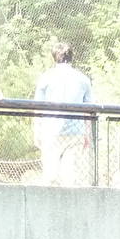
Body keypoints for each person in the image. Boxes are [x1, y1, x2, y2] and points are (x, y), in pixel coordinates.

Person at [32, 42, 93, 186]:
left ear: (54, 57)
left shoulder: (45, 77)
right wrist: (87, 133)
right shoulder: (83, 79)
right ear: (71, 57)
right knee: (70, 176)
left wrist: (37, 131)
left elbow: (37, 107)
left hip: (51, 130)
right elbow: (89, 110)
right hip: (76, 130)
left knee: (50, 175)